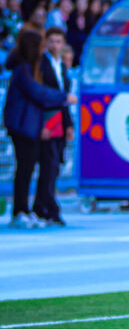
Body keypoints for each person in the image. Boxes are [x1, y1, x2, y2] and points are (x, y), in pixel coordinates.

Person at [4, 29, 78, 228]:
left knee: (30, 169)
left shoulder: (30, 68)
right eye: (43, 44)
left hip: (30, 125)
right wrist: (63, 97)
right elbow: (38, 93)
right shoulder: (24, 70)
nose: (45, 48)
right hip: (23, 126)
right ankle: (20, 211)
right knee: (25, 170)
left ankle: (29, 210)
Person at [33, 27, 73, 225]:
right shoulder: (41, 65)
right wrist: (42, 123)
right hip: (47, 119)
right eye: (52, 41)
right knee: (47, 165)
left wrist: (69, 124)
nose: (55, 45)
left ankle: (42, 205)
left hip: (60, 120)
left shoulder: (62, 67)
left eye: (59, 41)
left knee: (54, 165)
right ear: (46, 42)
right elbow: (41, 96)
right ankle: (49, 208)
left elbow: (64, 99)